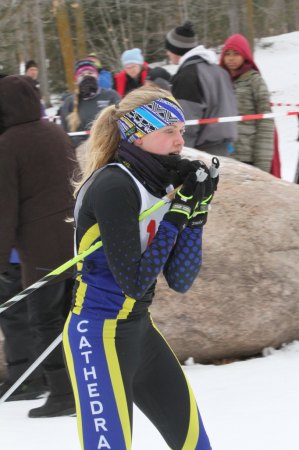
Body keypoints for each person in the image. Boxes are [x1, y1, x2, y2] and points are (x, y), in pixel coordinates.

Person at [62, 85, 216, 450]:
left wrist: (198, 212)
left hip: (140, 334)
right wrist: (178, 214)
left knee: (196, 444)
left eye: (182, 131)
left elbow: (179, 279)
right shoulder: (114, 185)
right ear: (139, 133)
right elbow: (133, 280)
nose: (180, 141)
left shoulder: (160, 181)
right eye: (169, 131)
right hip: (97, 336)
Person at [0, 75, 78, 417]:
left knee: (45, 321)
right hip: (74, 240)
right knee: (69, 317)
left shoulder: (8, 144)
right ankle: (81, 386)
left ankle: (62, 394)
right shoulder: (56, 132)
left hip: (40, 248)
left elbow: (5, 207)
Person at [165, 20, 237, 156]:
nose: (167, 53)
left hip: (202, 151)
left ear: (177, 50)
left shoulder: (188, 76)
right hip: (226, 148)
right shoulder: (219, 71)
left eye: (169, 49)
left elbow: (187, 122)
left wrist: (180, 154)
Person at [220, 33, 280, 175]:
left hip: (248, 157)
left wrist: (262, 165)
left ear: (245, 55)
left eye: (236, 53)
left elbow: (266, 123)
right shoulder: (220, 80)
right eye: (227, 53)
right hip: (224, 156)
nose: (231, 58)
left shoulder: (255, 81)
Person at [60, 57, 120, 149]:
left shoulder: (111, 96)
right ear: (76, 79)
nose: (87, 76)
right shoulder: (69, 103)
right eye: (82, 74)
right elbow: (65, 134)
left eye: (90, 73)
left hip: (109, 149)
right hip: (82, 153)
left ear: (97, 76)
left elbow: (124, 123)